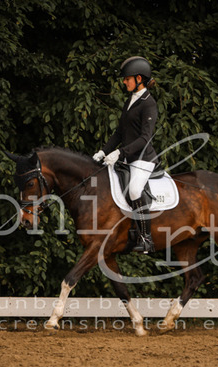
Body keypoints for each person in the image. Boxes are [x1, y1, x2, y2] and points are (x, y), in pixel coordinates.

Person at [93, 56, 158, 253]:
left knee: (135, 190)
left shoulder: (149, 103)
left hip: (143, 159)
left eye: (127, 79)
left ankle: (146, 238)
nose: (124, 82)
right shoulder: (130, 100)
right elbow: (120, 133)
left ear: (139, 78)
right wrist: (103, 151)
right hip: (127, 158)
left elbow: (145, 138)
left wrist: (120, 152)